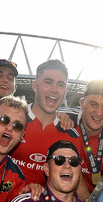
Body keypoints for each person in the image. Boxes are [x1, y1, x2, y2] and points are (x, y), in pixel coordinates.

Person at [9, 60, 84, 189]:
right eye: (48, 82)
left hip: (43, 201)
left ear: (65, 91)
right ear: (35, 86)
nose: (54, 89)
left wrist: (88, 198)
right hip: (2, 198)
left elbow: (77, 179)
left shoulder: (71, 134)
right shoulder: (11, 119)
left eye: (60, 85)